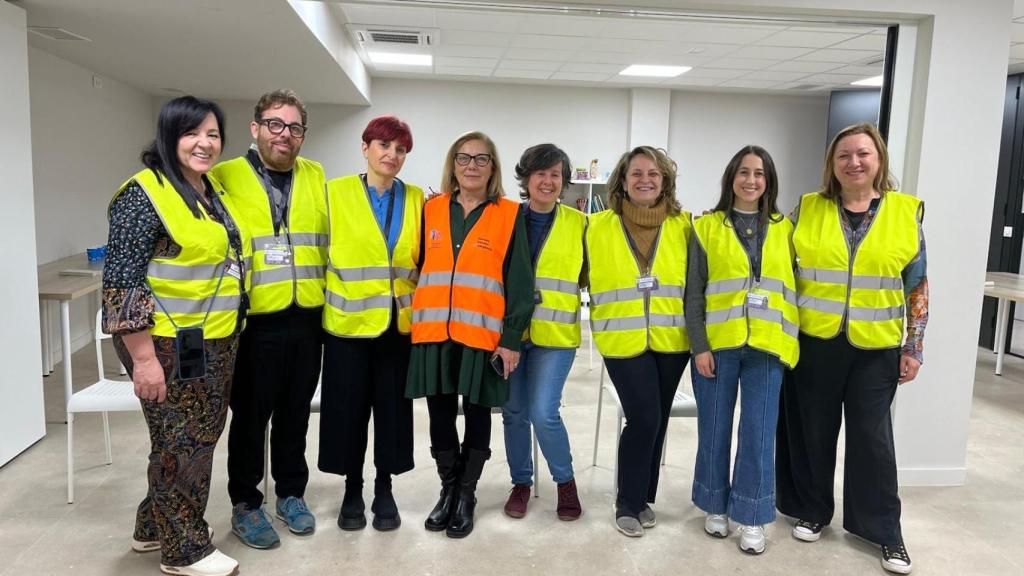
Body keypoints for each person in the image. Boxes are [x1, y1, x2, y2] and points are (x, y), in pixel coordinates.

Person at [102, 95, 246, 576]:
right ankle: (184, 550)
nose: (204, 143)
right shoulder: (144, 194)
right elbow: (121, 282)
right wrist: (143, 359)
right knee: (184, 441)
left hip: (209, 339)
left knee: (187, 437)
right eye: (192, 133)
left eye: (212, 134)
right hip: (164, 342)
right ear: (169, 136)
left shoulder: (206, 190)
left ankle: (151, 527)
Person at [776, 123, 927, 575]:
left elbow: (916, 284)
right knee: (812, 432)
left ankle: (884, 532)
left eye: (863, 153)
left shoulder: (905, 212)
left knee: (872, 441)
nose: (854, 162)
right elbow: (774, 258)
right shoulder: (807, 208)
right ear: (832, 164)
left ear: (879, 159)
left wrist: (913, 346)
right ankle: (812, 509)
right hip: (815, 342)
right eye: (844, 155)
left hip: (876, 347)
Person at [209, 89, 327, 549]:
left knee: (296, 414)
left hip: (307, 318)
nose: (286, 135)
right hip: (254, 322)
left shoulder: (316, 176)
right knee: (251, 417)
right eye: (276, 124)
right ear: (255, 128)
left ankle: (292, 494)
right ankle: (245, 502)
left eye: (295, 127)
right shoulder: (224, 176)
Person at [406, 131, 534, 539]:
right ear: (453, 164)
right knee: (440, 414)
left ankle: (467, 493)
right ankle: (447, 489)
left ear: (493, 167)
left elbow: (519, 281)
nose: (472, 165)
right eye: (464, 158)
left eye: (482, 159)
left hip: (482, 334)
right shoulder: (431, 209)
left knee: (478, 412)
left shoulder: (510, 214)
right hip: (433, 332)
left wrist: (511, 338)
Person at [686, 145, 798, 555]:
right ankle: (714, 505)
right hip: (718, 348)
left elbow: (797, 289)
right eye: (744, 172)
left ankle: (751, 515)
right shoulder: (706, 228)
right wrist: (700, 346)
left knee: (758, 433)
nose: (751, 180)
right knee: (713, 428)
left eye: (760, 173)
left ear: (769, 181)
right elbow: (693, 295)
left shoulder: (786, 229)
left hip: (768, 348)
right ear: (731, 177)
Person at [318, 116, 422, 532]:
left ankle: (384, 488)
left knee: (393, 412)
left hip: (399, 328)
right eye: (383, 146)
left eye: (400, 150)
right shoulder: (334, 193)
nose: (391, 156)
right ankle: (352, 488)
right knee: (348, 411)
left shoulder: (416, 199)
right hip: (347, 326)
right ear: (365, 148)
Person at [586, 145, 692, 538]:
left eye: (653, 174)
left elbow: (696, 286)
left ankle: (644, 497)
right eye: (636, 174)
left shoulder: (685, 226)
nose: (645, 180)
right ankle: (627, 502)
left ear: (665, 181)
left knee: (658, 418)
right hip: (621, 337)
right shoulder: (596, 226)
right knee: (643, 417)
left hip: (671, 338)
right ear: (623, 180)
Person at [501, 143, 585, 521]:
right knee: (513, 412)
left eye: (555, 174)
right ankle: (521, 483)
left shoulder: (581, 224)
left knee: (543, 412)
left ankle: (565, 481)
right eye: (540, 173)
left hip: (555, 337)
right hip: (511, 335)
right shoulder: (505, 218)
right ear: (526, 178)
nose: (548, 181)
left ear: (564, 181)